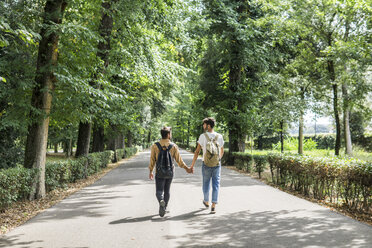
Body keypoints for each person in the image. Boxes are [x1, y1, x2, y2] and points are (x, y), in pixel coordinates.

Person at [149, 126, 192, 217]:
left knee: (159, 191)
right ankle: (164, 207)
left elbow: (152, 160)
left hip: (159, 172)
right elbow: (179, 161)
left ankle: (161, 200)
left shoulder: (155, 145)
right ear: (168, 135)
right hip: (170, 172)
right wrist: (186, 168)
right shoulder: (173, 146)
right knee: (167, 190)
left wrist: (151, 171)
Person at [190, 117, 224, 214]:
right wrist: (218, 159)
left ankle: (206, 201)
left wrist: (192, 165)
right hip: (217, 164)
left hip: (206, 164)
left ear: (208, 125)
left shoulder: (202, 136)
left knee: (206, 184)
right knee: (216, 184)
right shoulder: (219, 136)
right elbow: (222, 151)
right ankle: (213, 205)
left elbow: (197, 152)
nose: (203, 126)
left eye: (204, 124)